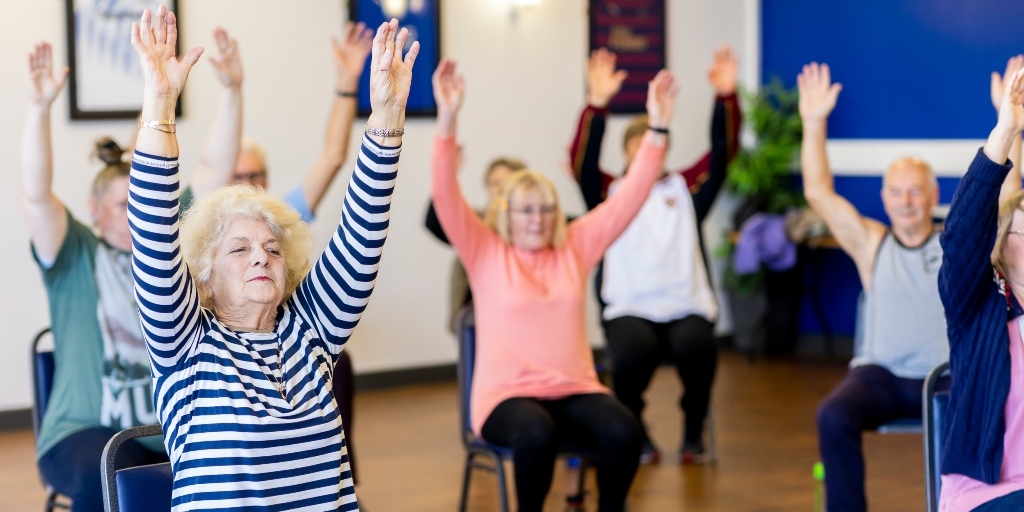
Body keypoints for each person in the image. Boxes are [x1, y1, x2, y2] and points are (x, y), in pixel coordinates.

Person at [126, 7, 417, 509]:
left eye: (272, 248)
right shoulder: (185, 347)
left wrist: (387, 117)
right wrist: (159, 105)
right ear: (205, 279)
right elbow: (152, 234)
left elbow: (362, 232)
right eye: (239, 249)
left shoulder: (311, 332)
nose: (260, 257)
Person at [431, 57, 679, 512]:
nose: (537, 219)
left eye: (545, 209)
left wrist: (658, 131)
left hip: (574, 388)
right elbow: (445, 196)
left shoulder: (576, 246)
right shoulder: (486, 252)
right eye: (525, 210)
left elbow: (629, 198)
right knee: (536, 433)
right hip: (506, 397)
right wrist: (447, 118)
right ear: (507, 214)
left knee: (625, 430)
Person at [20, 27, 243, 511]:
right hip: (85, 434)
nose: (134, 212)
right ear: (95, 209)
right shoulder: (74, 251)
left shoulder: (166, 243)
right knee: (114, 472)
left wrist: (231, 91)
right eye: (122, 204)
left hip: (165, 430)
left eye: (139, 202)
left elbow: (214, 166)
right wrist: (39, 109)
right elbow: (36, 195)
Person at [800, 59, 1021, 512]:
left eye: (915, 191)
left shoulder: (966, 250)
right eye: (896, 192)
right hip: (881, 376)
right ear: (883, 199)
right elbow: (819, 193)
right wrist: (813, 122)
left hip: (947, 375)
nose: (905, 202)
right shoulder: (872, 245)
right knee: (832, 415)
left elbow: (1005, 204)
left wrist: (1011, 125)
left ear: (934, 196)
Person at [180, 21, 374, 482]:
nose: (260, 255)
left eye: (257, 173)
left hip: (288, 352)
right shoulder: (198, 231)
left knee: (336, 363)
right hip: (212, 382)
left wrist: (348, 86)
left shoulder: (281, 220)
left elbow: (332, 158)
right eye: (237, 175)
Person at [568, 46, 742, 464]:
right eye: (639, 148)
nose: (648, 155)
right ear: (629, 155)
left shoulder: (687, 189)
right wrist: (596, 104)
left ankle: (693, 429)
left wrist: (726, 98)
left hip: (685, 305)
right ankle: (635, 428)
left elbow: (723, 153)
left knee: (699, 349)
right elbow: (583, 164)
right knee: (630, 355)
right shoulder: (609, 193)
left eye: (655, 146)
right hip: (630, 306)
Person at [938, 59, 1024, 512]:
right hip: (988, 493)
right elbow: (962, 235)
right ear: (1002, 245)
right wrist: (1006, 129)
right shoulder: (979, 304)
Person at [424, 154, 527, 331]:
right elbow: (434, 222)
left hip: (521, 317)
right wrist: (446, 175)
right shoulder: (474, 222)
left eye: (508, 182)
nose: (501, 188)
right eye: (495, 182)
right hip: (473, 319)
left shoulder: (536, 225)